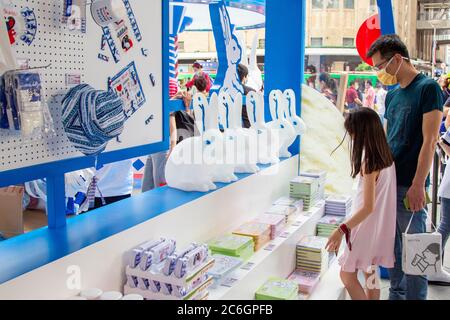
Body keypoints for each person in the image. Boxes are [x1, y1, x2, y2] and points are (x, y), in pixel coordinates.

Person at [367, 34, 443, 300]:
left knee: (415, 254)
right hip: (387, 183)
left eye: (380, 66)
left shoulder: (428, 88)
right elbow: (389, 139)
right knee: (393, 253)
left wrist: (418, 184)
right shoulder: (392, 96)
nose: (379, 72)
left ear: (398, 59)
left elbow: (430, 140)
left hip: (410, 185)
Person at [327, 107, 397, 300]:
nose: (352, 137)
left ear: (362, 132)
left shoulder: (370, 162)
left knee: (346, 275)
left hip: (365, 229)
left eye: (353, 133)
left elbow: (367, 207)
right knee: (371, 273)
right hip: (380, 229)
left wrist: (341, 229)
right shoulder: (387, 159)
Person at [141, 78, 203, 192]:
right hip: (162, 141)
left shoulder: (161, 86)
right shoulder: (175, 94)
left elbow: (170, 116)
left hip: (161, 140)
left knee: (156, 187)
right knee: (157, 185)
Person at [238, 63, 256, 129]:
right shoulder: (251, 92)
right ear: (244, 77)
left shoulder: (225, 92)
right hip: (248, 128)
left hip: (229, 130)